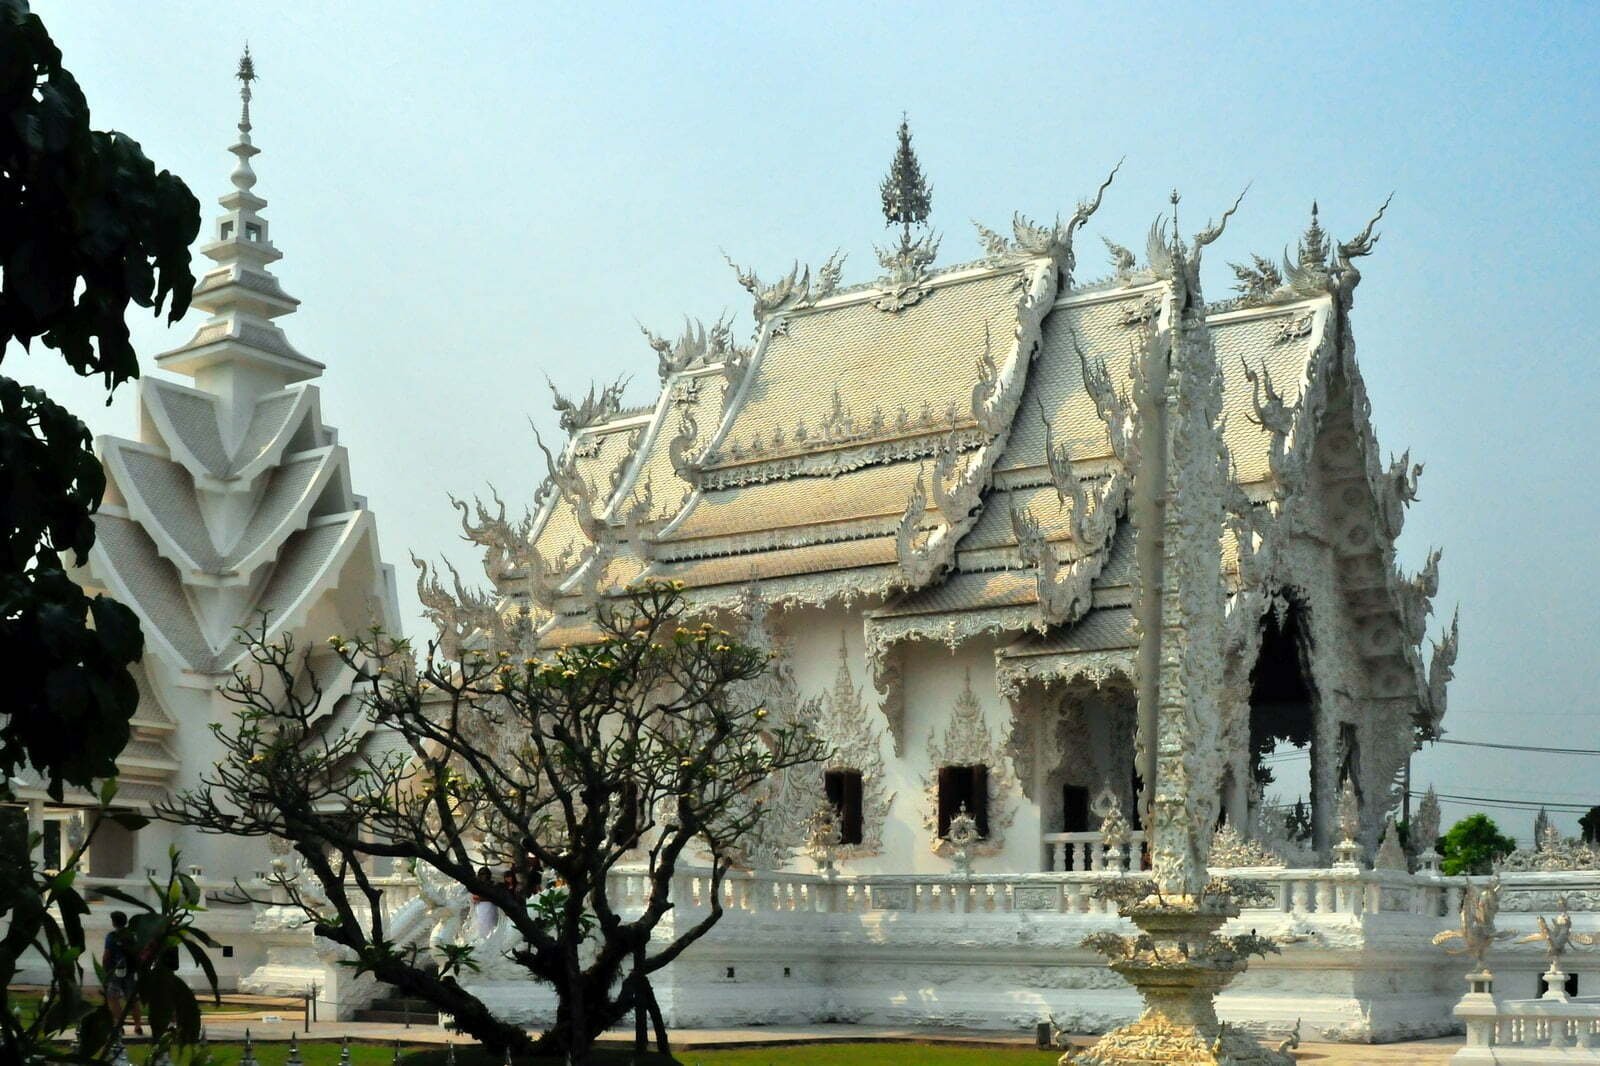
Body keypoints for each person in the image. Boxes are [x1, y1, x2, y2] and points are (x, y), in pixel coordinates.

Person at [101, 911, 143, 1036]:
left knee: (113, 998)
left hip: (116, 971)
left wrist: (106, 971)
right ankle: (138, 1025)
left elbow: (106, 956)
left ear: (114, 922)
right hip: (130, 971)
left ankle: (119, 1025)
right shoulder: (132, 936)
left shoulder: (112, 936)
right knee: (132, 999)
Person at [468, 866, 499, 941]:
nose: (484, 876)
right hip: (480, 908)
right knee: (480, 925)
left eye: (485, 874)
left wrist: (481, 898)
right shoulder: (477, 885)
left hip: (490, 907)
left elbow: (494, 896)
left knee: (489, 925)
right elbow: (474, 896)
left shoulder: (493, 884)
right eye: (482, 874)